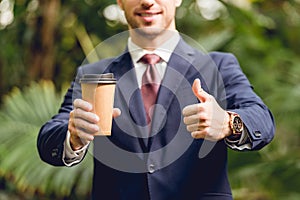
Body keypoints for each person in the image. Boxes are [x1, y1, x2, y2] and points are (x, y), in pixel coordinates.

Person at [37, 0, 275, 199]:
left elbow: (262, 120)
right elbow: (50, 137)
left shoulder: (219, 65)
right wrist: (74, 137)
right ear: (120, 1)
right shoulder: (95, 75)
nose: (148, 1)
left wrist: (227, 122)